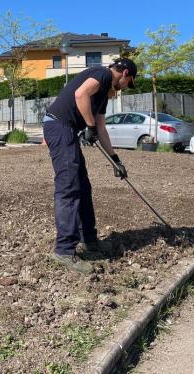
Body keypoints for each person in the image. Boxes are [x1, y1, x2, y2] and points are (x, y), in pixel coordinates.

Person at [43, 57, 137, 274]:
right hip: (58, 125)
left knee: (83, 187)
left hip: (68, 130)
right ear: (124, 74)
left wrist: (116, 160)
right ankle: (64, 250)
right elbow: (80, 94)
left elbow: (101, 128)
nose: (126, 87)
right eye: (129, 82)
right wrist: (89, 126)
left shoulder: (103, 94)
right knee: (69, 185)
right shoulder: (102, 74)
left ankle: (89, 239)